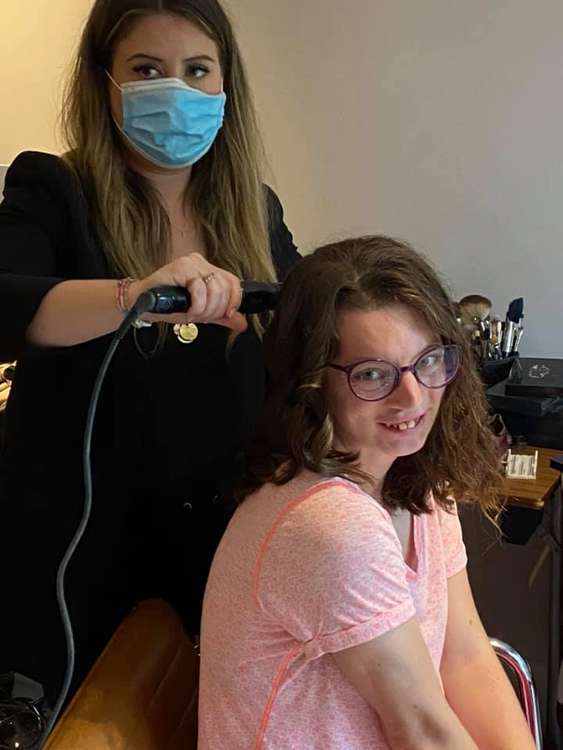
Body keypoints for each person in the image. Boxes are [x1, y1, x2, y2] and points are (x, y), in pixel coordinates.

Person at [0, 0, 299, 705]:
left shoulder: (254, 212)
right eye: (146, 69)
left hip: (218, 550)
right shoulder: (53, 190)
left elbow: (299, 331)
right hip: (74, 561)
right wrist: (133, 293)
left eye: (197, 69)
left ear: (226, 84)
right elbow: (5, 304)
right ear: (103, 82)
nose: (176, 89)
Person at [198, 237, 536, 749]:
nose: (414, 396)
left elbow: (464, 660)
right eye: (373, 374)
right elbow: (425, 731)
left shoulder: (415, 479)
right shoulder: (329, 526)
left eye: (428, 361)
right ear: (311, 382)